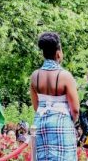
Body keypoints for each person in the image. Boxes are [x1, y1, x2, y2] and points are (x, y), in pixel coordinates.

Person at [30, 32, 80, 161]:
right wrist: (72, 121)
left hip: (40, 124)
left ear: (43, 53)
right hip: (61, 123)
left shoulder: (34, 76)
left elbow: (36, 107)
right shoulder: (65, 76)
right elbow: (75, 109)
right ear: (58, 53)